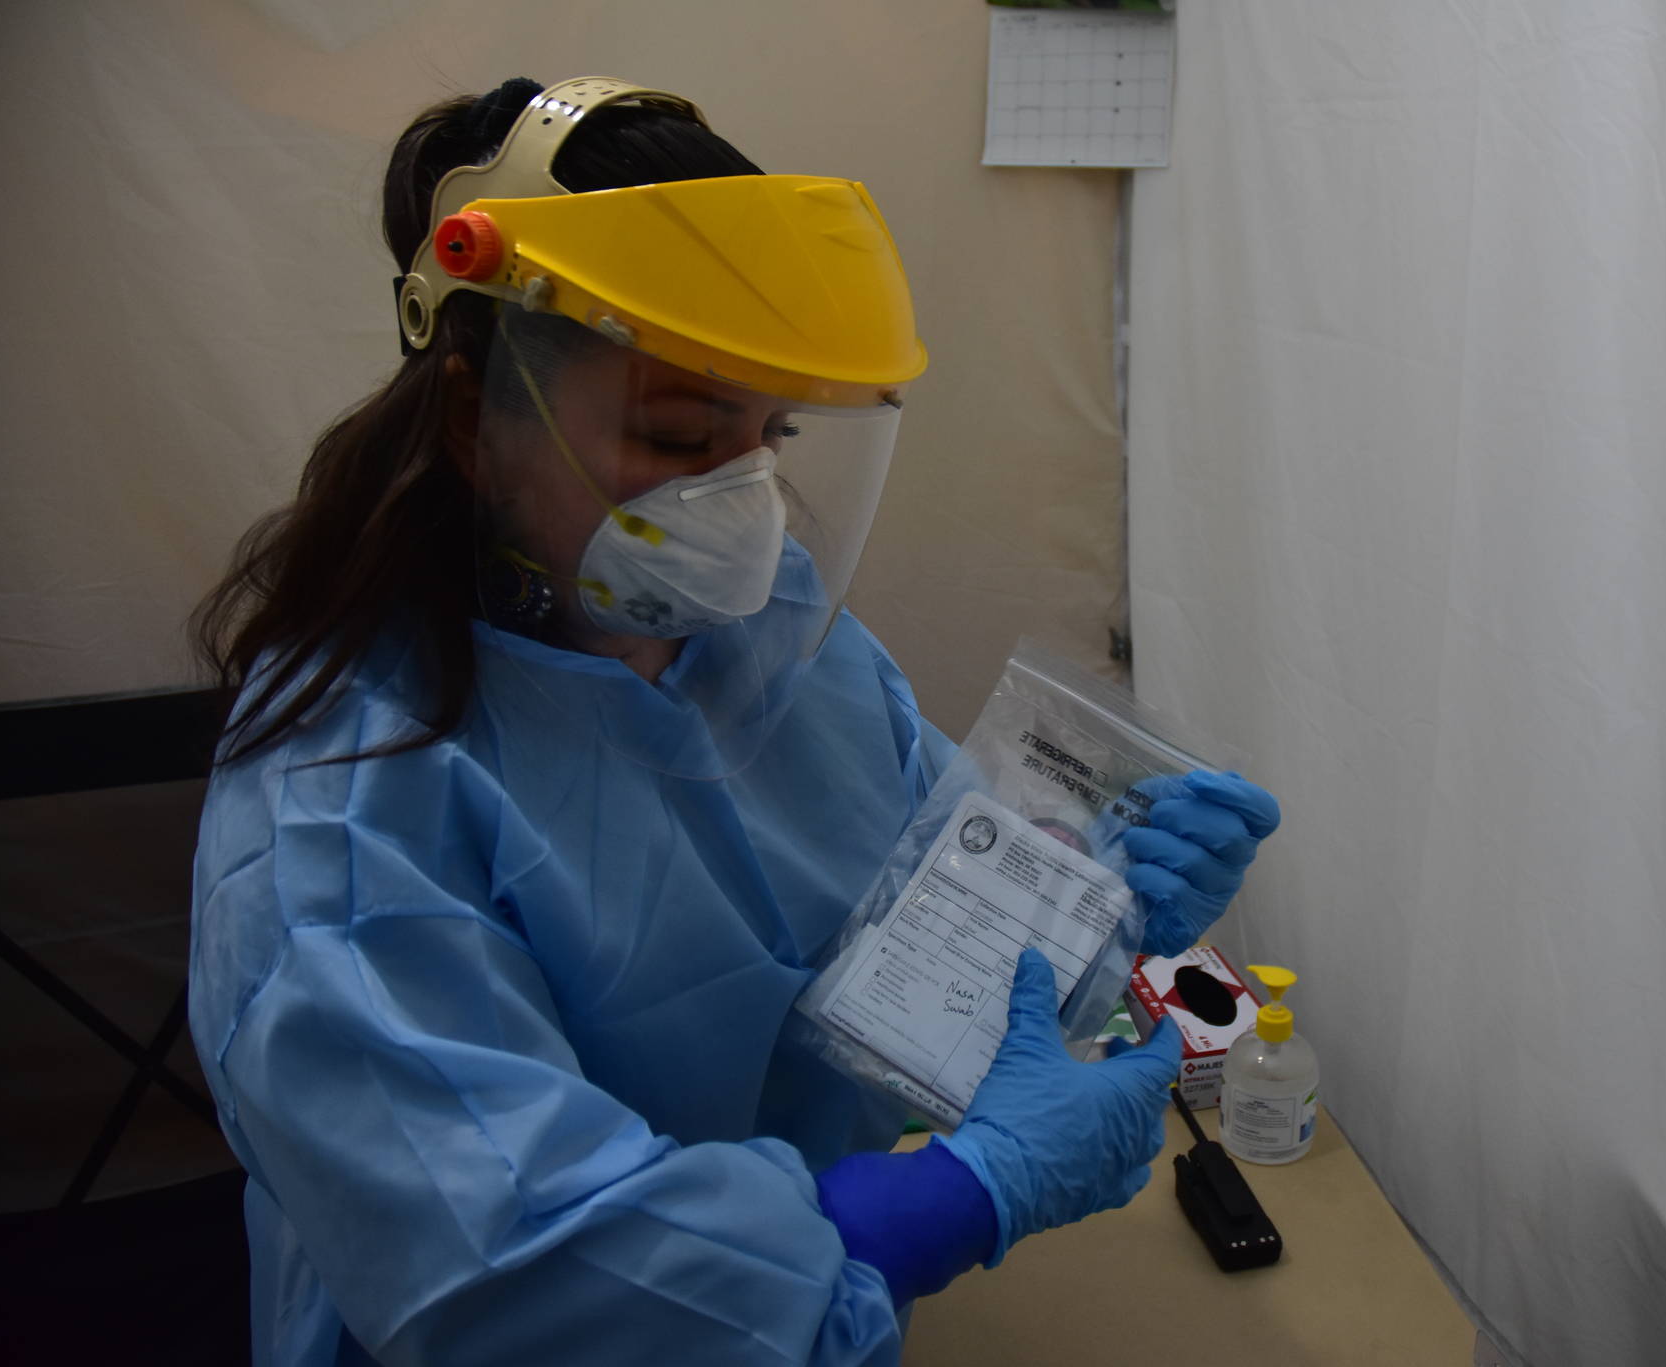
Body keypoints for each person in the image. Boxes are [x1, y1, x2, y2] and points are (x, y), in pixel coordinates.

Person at [188, 76, 1281, 1366]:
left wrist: (1084, 898)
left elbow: (916, 930)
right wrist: (954, 1196)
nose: (744, 498)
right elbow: (516, 1279)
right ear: (474, 421)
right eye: (676, 432)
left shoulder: (775, 642)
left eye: (770, 432)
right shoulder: (345, 811)